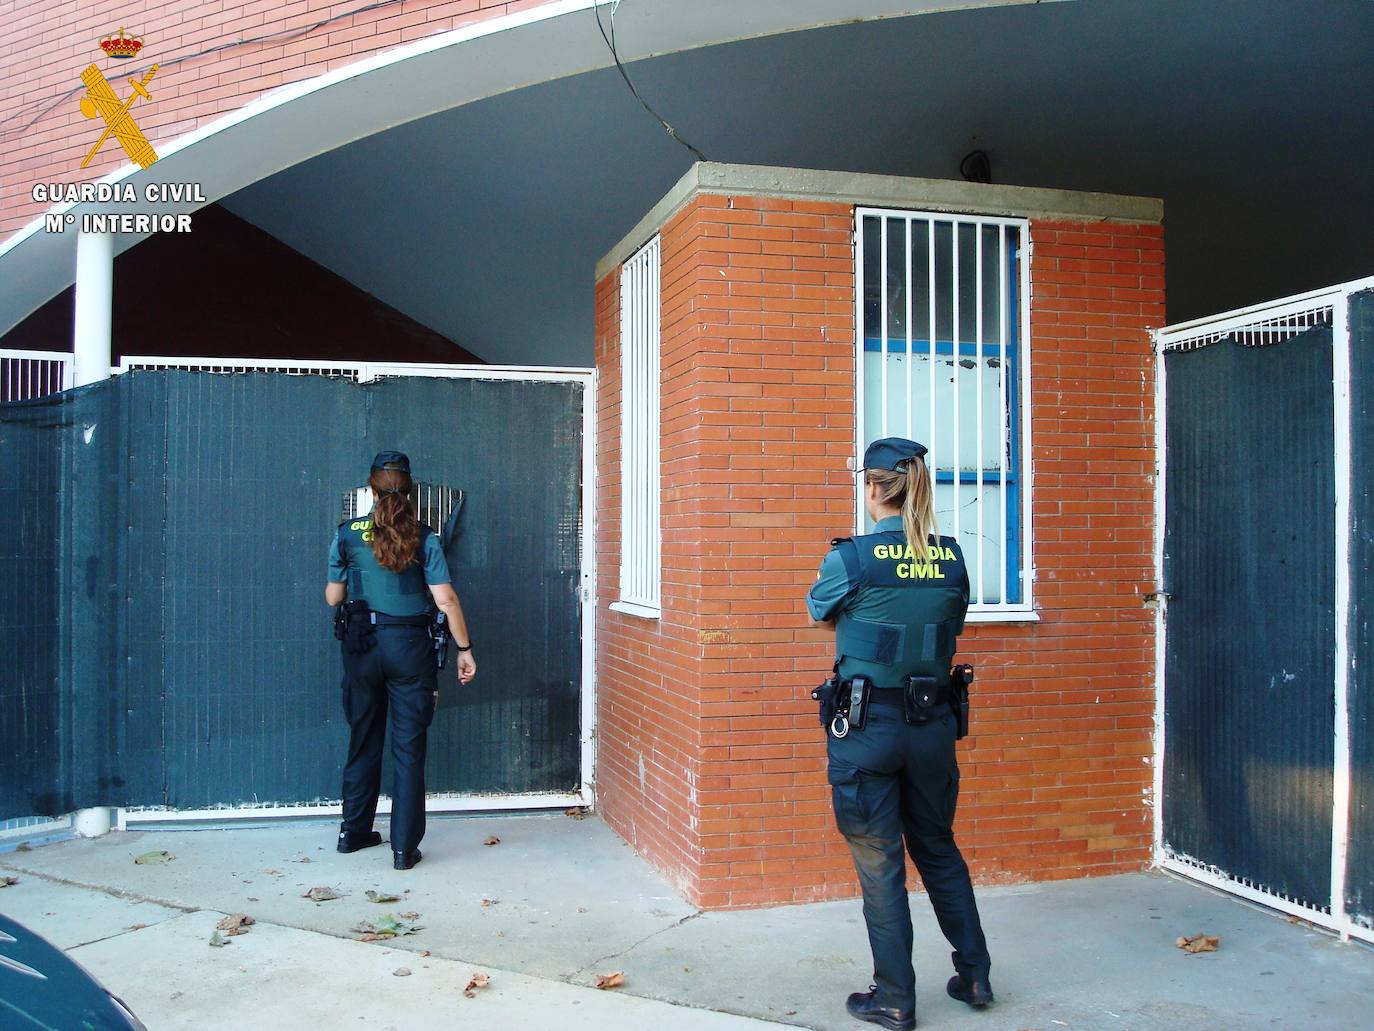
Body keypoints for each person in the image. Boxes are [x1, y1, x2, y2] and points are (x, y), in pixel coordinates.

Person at [806, 437, 993, 1030]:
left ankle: (893, 998)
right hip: (932, 727)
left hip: (868, 730)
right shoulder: (952, 557)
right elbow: (950, 622)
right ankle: (975, 975)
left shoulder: (852, 559)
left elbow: (819, 612)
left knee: (880, 862)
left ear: (872, 488)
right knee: (938, 847)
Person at [325, 451, 477, 870]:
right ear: (409, 491)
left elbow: (333, 597)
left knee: (363, 738)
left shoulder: (347, 534)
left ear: (371, 490)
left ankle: (353, 833)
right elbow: (446, 600)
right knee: (408, 748)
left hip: (362, 646)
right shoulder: (424, 537)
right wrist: (464, 649)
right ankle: (403, 849)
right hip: (410, 648)